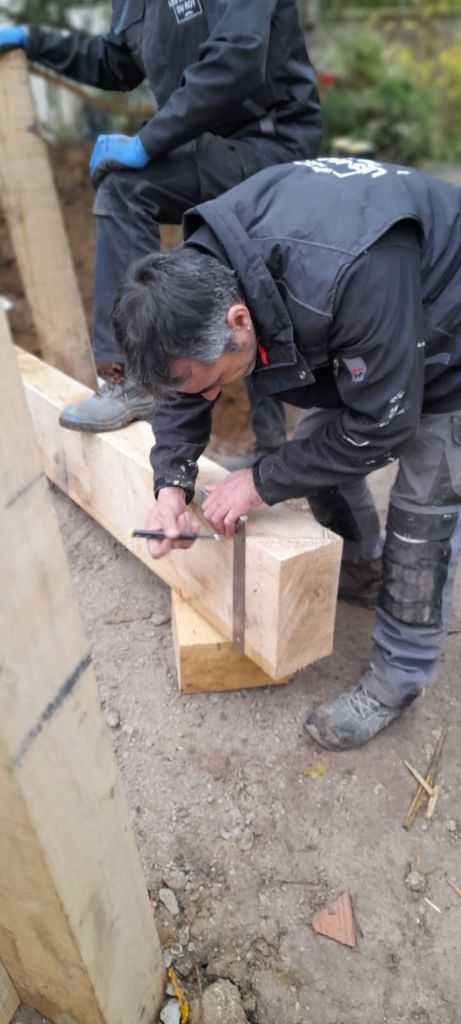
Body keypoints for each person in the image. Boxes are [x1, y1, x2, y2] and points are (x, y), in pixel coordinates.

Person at [111, 156, 461, 751]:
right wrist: (171, 484)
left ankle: (398, 677)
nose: (210, 397)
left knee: (422, 515)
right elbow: (186, 385)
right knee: (315, 455)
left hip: (448, 323)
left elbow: (384, 425)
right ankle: (359, 567)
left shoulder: (346, 274)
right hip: (368, 323)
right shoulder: (197, 278)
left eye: (212, 379)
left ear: (240, 320)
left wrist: (260, 481)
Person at [0, 3, 320, 448]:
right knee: (228, 262)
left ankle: (132, 375)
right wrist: (32, 40)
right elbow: (114, 62)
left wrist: (148, 142)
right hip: (205, 147)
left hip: (270, 143)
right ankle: (268, 447)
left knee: (128, 186)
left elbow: (239, 56)